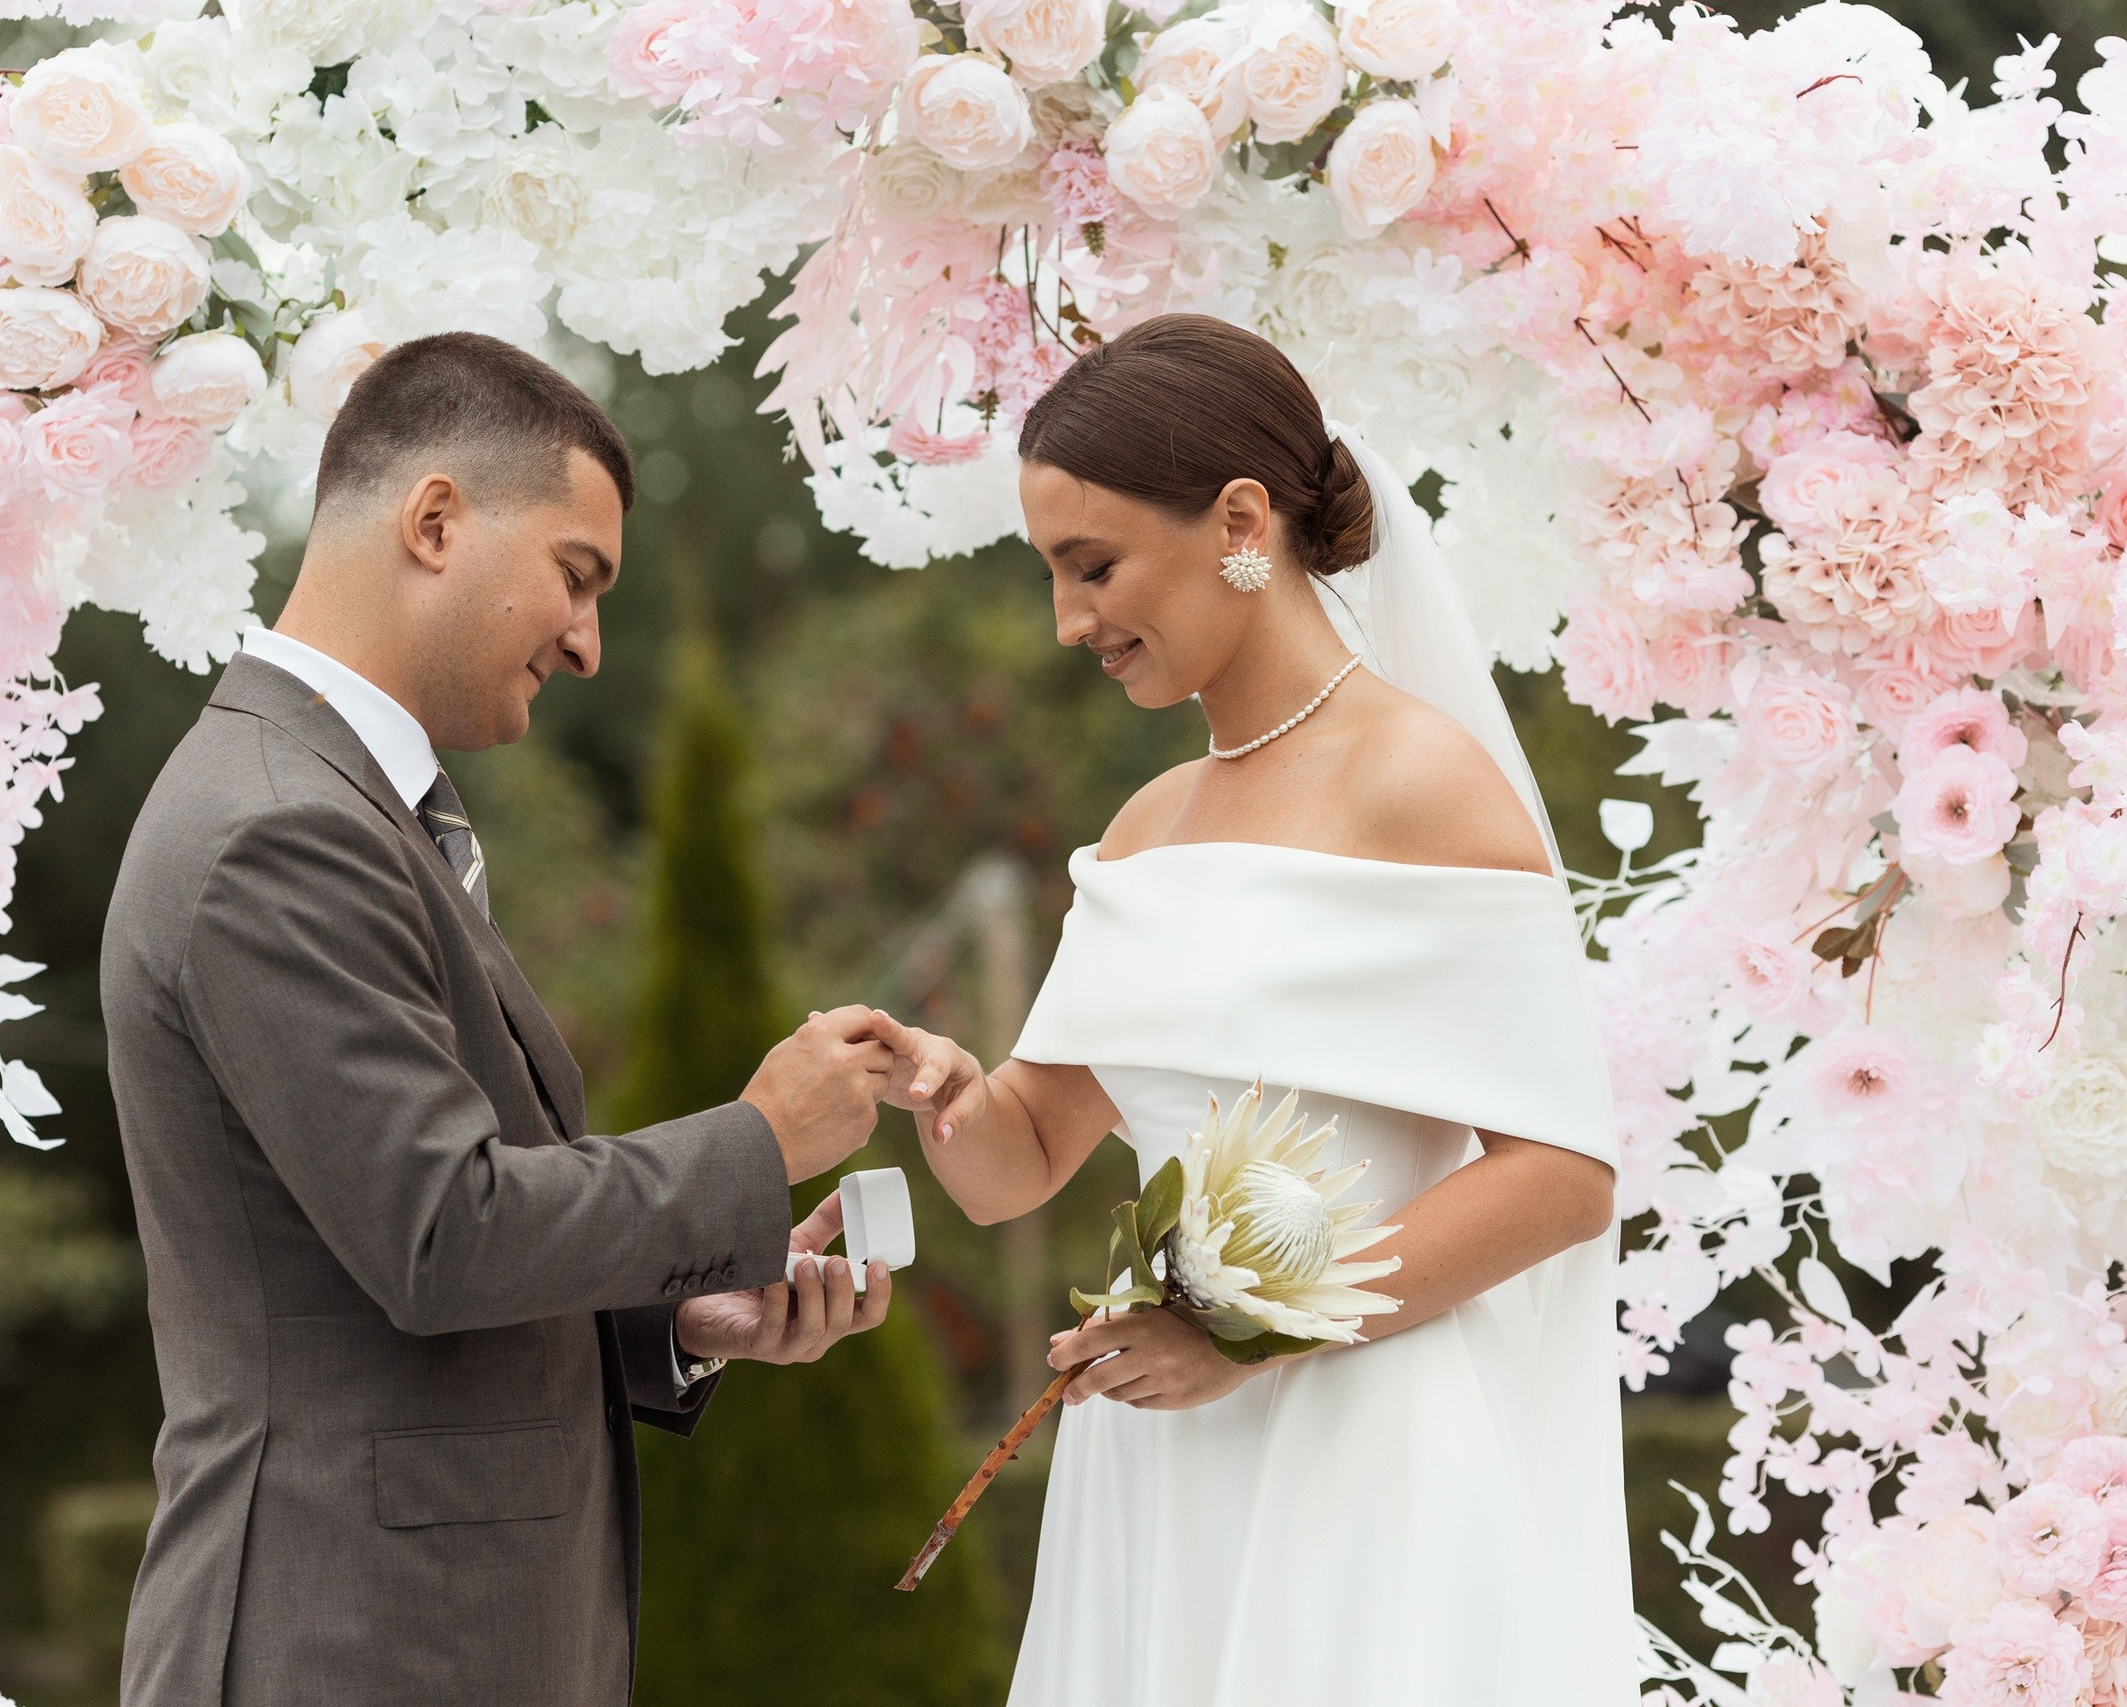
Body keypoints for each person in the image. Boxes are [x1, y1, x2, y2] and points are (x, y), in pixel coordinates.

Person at [100, 332, 896, 1707]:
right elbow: (439, 1234)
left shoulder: (340, 807)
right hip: (351, 1641)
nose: (589, 643)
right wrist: (757, 1145)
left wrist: (673, 1323)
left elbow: (378, 1266)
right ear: (435, 520)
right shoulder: (281, 829)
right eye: (576, 577)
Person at [870, 315, 1635, 1704]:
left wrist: (1245, 1331)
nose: (1069, 621)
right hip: (1156, 1463)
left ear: (1240, 520)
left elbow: (1563, 1180)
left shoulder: (1425, 782)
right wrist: (938, 1088)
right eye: (1050, 574)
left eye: (1091, 566)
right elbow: (1017, 1162)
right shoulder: (1150, 825)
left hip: (1358, 1443)